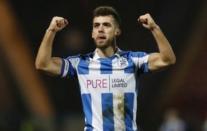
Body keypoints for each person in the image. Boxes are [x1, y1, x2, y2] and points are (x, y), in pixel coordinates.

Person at [35, 6, 176, 131]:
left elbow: (167, 59)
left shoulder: (132, 60)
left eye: (106, 25)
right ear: (92, 33)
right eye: (96, 26)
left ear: (117, 31)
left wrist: (154, 28)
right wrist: (51, 31)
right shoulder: (81, 63)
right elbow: (43, 64)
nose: (100, 29)